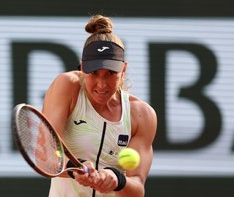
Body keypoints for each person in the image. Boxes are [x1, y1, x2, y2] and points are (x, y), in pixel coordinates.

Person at [42, 14, 157, 197]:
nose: (101, 84)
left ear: (124, 69)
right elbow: (44, 154)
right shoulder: (67, 86)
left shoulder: (142, 115)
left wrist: (117, 180)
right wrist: (74, 168)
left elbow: (137, 189)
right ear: (82, 68)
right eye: (94, 73)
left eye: (110, 73)